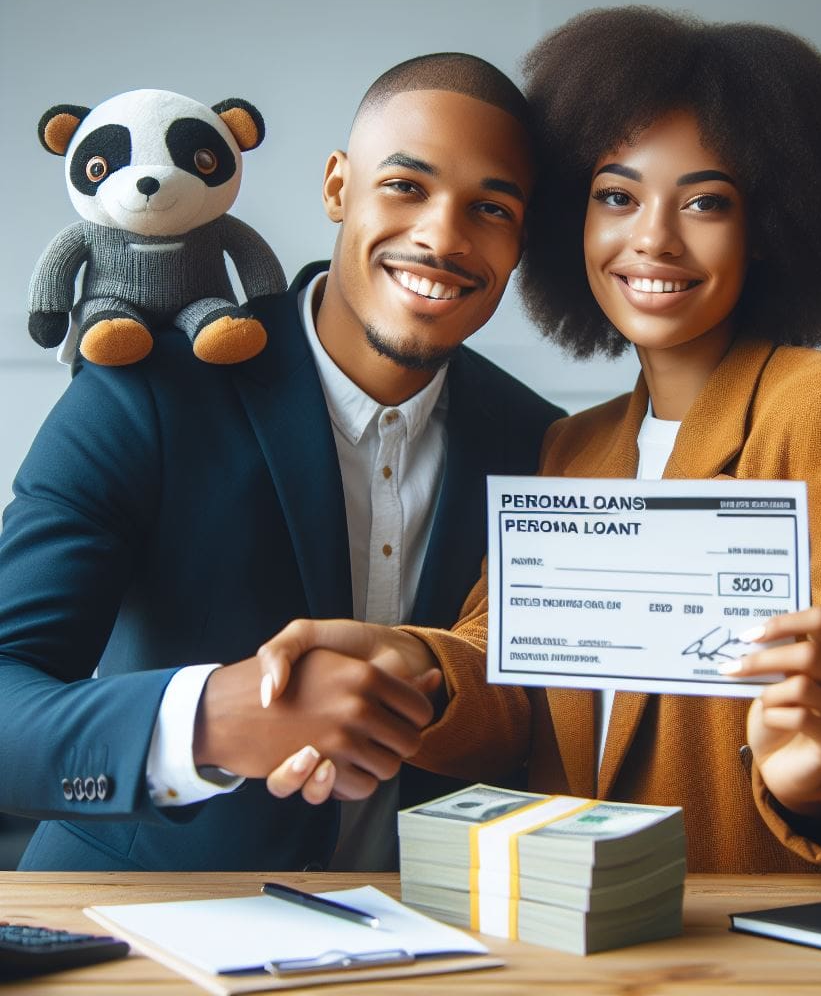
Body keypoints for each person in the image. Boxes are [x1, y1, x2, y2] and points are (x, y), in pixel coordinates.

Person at [258, 9, 821, 875]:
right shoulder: (570, 447)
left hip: (780, 937)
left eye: (705, 201)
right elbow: (507, 672)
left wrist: (816, 774)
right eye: (616, 196)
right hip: (591, 927)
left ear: (770, 225)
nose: (651, 237)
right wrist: (404, 656)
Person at [0, 53, 563, 871]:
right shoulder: (146, 390)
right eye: (406, 186)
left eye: (491, 207)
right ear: (339, 186)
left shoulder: (542, 447)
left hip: (433, 948)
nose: (443, 237)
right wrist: (205, 721)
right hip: (133, 934)